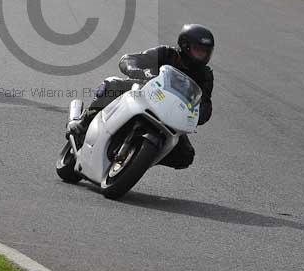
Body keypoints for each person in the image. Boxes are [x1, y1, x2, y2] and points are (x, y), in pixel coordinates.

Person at [67, 24, 215, 169]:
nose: (202, 56)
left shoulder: (205, 75)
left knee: (185, 156)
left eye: (205, 52)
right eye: (198, 50)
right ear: (185, 45)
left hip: (171, 114)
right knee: (112, 84)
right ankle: (83, 123)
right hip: (144, 94)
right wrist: (139, 71)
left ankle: (138, 158)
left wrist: (199, 115)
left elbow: (205, 102)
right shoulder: (166, 53)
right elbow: (129, 59)